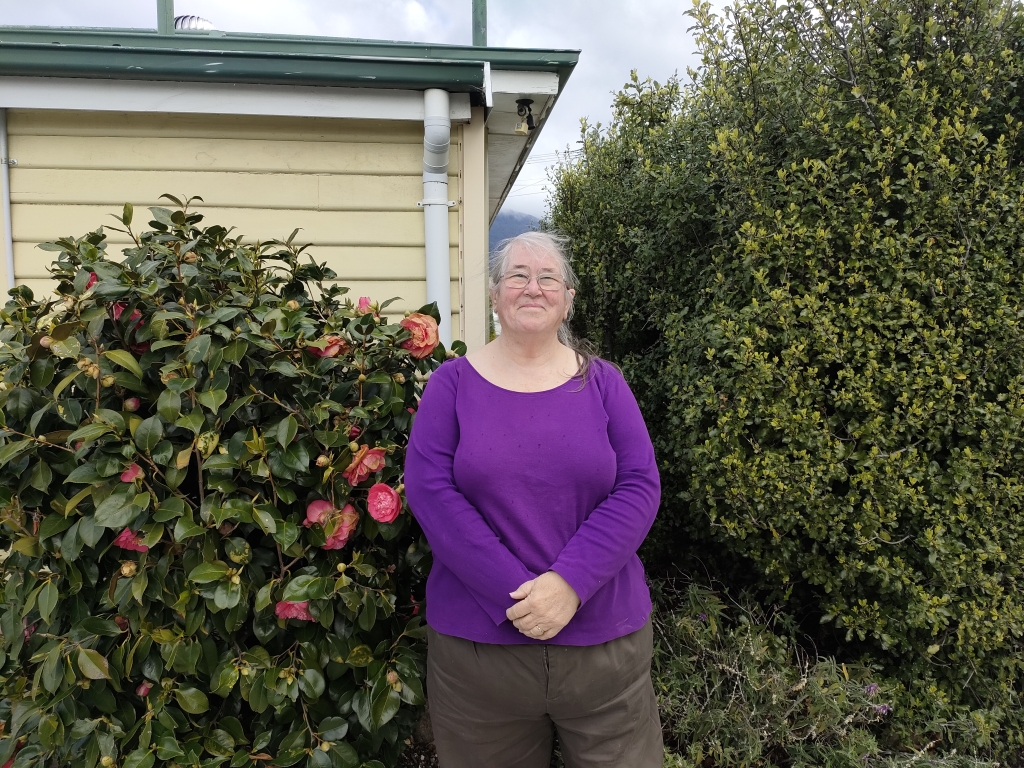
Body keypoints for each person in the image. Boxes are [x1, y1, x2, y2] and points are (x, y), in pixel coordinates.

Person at [404, 231, 663, 768]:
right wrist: (515, 593)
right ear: (495, 295)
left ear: (568, 298)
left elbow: (639, 485)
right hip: (479, 659)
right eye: (518, 275)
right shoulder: (450, 385)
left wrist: (570, 583)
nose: (533, 287)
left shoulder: (605, 383)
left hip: (604, 652)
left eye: (549, 278)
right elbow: (431, 492)